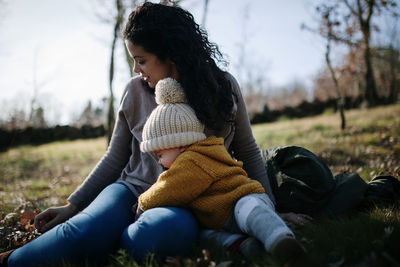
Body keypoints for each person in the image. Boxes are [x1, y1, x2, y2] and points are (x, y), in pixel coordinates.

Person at [4, 2, 310, 266]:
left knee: (157, 235)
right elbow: (114, 157)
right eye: (133, 60)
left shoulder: (223, 88)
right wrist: (72, 205)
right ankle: (14, 260)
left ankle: (113, 240)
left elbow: (249, 150)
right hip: (129, 191)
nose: (137, 69)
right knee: (85, 230)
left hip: (185, 203)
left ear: (171, 55)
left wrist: (271, 208)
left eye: (141, 60)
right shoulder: (134, 92)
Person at [137, 77, 306, 264]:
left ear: (180, 145)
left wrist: (142, 202)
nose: (159, 162)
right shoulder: (196, 154)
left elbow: (168, 188)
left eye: (160, 154)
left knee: (252, 212)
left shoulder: (192, 160)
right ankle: (242, 245)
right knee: (204, 236)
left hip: (241, 200)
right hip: (222, 219)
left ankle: (280, 239)